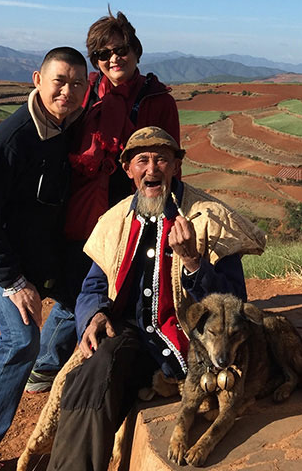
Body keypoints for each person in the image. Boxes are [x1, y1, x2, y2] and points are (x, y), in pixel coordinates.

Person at [46, 126, 266, 470]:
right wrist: (94, 316)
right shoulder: (114, 220)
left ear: (176, 166)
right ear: (128, 169)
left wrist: (193, 261)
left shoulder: (210, 217)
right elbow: (92, 287)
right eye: (142, 160)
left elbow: (235, 302)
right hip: (131, 337)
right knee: (90, 376)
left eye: (162, 159)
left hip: (191, 343)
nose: (152, 169)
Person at [25, 9, 180, 394]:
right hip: (84, 202)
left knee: (127, 278)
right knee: (82, 279)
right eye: (103, 53)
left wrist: (170, 207)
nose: (114, 58)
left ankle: (97, 352)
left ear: (136, 50)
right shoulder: (87, 91)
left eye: (121, 49)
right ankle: (48, 363)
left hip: (134, 204)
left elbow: (170, 158)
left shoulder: (158, 100)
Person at [0, 47, 89, 471]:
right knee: (20, 338)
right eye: (59, 81)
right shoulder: (9, 140)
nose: (67, 91)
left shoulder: (65, 127)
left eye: (77, 84)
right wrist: (15, 283)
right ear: (37, 80)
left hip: (37, 252)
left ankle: (42, 370)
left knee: (83, 297)